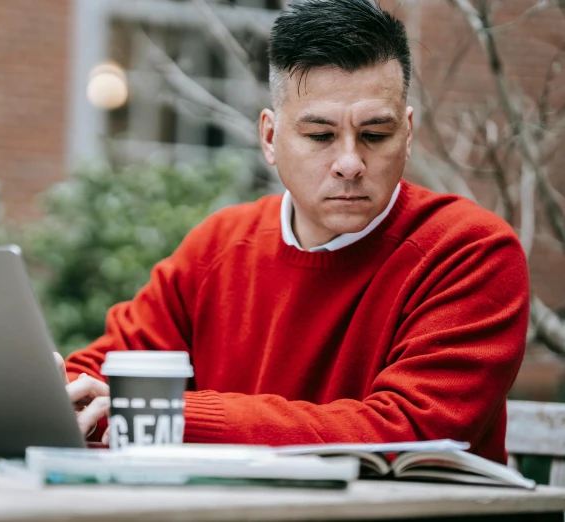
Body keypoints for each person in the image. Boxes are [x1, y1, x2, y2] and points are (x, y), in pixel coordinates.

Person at [56, 0, 529, 464]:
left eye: (375, 135)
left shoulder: (471, 251)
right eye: (320, 136)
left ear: (407, 134)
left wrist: (170, 415)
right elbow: (104, 373)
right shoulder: (217, 248)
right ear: (269, 138)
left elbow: (406, 432)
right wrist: (54, 390)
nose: (349, 163)